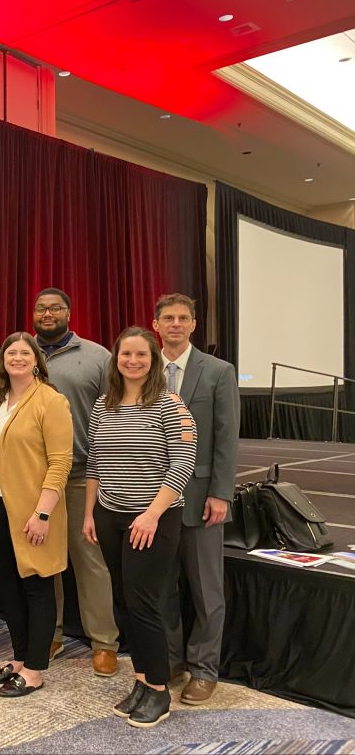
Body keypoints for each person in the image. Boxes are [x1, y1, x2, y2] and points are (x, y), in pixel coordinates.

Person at [83, 327, 197, 729]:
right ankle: (142, 680)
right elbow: (95, 464)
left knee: (144, 603)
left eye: (141, 355)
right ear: (116, 359)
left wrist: (150, 514)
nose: (133, 361)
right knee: (122, 601)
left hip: (154, 518)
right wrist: (88, 513)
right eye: (126, 354)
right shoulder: (103, 405)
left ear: (153, 361)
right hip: (109, 515)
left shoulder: (170, 405)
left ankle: (160, 690)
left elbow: (183, 464)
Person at [153, 294, 239, 705]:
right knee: (162, 587)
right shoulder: (141, 369)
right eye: (167, 317)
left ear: (193, 324)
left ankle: (204, 670)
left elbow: (226, 438)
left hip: (202, 498)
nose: (175, 324)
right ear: (156, 325)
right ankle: (169, 661)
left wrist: (221, 492)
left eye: (182, 318)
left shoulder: (218, 372)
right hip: (152, 503)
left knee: (207, 591)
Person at [0, 333, 72, 699]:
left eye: (24, 352)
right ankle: (19, 658)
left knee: (36, 586)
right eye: (10, 352)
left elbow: (61, 462)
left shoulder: (51, 400)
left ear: (36, 360)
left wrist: (43, 513)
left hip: (34, 510)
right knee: (7, 587)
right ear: (2, 360)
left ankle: (35, 669)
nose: (16, 358)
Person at [32, 287, 119, 676]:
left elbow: (113, 415)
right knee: (44, 561)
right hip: (36, 478)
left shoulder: (98, 357)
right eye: (41, 308)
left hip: (83, 474)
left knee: (90, 561)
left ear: (69, 312)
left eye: (56, 308)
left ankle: (104, 642)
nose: (47, 314)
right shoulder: (21, 353)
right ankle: (48, 634)